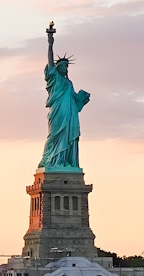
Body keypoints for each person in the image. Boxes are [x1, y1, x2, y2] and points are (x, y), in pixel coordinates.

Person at [38, 22, 90, 170]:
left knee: (69, 136)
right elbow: (50, 61)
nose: (65, 68)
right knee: (54, 136)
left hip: (70, 113)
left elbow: (75, 100)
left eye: (67, 66)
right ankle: (51, 161)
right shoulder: (54, 78)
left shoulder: (69, 83)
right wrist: (50, 43)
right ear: (58, 67)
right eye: (63, 66)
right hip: (58, 112)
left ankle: (66, 162)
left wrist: (82, 99)